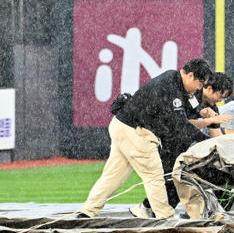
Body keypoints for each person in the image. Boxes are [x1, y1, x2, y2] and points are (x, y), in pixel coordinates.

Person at [78, 58, 212, 219]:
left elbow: (183, 109)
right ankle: (166, 218)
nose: (199, 88)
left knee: (113, 175)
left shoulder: (172, 78)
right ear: (191, 76)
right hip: (136, 132)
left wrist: (200, 112)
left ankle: (88, 211)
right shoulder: (171, 88)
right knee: (154, 175)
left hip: (121, 125)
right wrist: (208, 142)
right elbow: (180, 125)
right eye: (200, 83)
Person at [132, 72, 233, 218]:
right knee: (166, 179)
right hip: (168, 142)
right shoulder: (190, 97)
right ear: (209, 89)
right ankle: (147, 208)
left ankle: (155, 210)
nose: (219, 100)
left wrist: (224, 149)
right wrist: (206, 122)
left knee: (180, 180)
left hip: (184, 146)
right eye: (220, 96)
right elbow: (183, 125)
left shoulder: (213, 109)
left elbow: (216, 136)